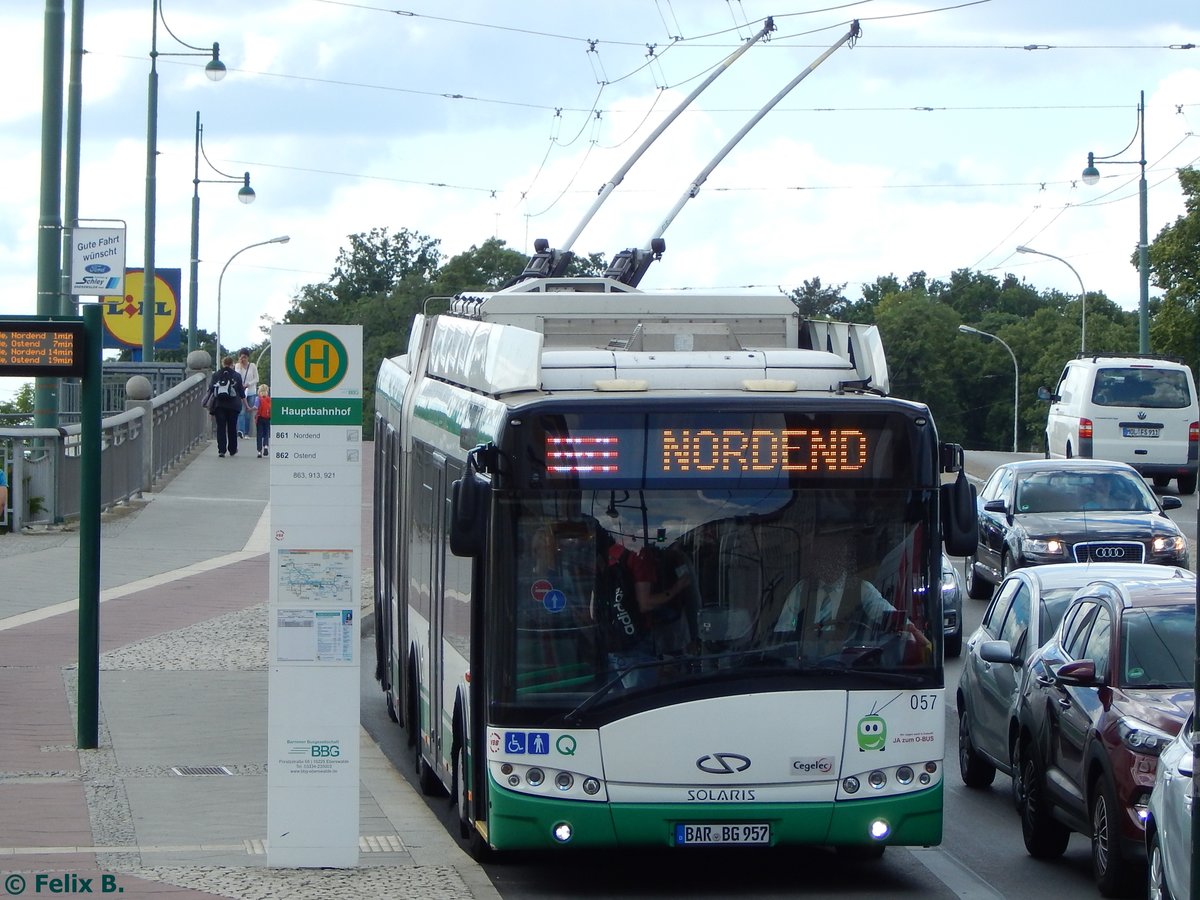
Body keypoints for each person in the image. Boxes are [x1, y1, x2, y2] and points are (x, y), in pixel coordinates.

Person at [774, 531, 932, 662]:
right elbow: (784, 631)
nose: (828, 561)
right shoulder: (802, 589)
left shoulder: (863, 589)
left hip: (847, 667)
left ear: (844, 559)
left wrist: (912, 631)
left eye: (834, 555)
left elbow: (888, 615)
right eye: (822, 556)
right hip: (805, 666)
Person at [209, 355, 247, 458]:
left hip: (219, 405)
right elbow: (241, 392)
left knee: (221, 427)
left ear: (223, 363)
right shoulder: (237, 375)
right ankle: (232, 449)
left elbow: (211, 388)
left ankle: (221, 450)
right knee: (232, 427)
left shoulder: (216, 374)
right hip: (233, 405)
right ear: (232, 364)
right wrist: (246, 405)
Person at [233, 349, 258, 438]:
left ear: (248, 357)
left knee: (248, 413)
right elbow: (236, 377)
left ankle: (247, 432)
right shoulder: (237, 366)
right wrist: (240, 366)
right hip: (241, 392)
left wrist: (248, 384)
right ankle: (241, 431)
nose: (243, 359)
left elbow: (256, 379)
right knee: (241, 412)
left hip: (251, 391)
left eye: (245, 357)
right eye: (241, 357)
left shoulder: (252, 366)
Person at [255, 383, 272, 458]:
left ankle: (259, 451)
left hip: (260, 418)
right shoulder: (269, 399)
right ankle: (265, 446)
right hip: (267, 418)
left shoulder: (258, 398)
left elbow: (255, 407)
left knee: (259, 434)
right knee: (266, 433)